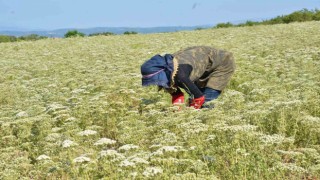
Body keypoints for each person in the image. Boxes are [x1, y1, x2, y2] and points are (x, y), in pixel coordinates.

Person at [141, 46, 236, 109]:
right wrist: (176, 109)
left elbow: (199, 98)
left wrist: (191, 112)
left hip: (221, 63)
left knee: (206, 102)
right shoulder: (167, 69)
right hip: (201, 64)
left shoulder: (180, 74)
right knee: (193, 98)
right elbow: (177, 94)